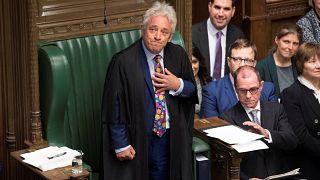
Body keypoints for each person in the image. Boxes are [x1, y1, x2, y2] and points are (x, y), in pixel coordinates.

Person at [101, 2, 197, 180]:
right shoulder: (123, 62)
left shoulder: (178, 54)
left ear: (170, 37)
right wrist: (120, 143)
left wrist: (178, 85)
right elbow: (113, 107)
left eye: (164, 32)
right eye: (153, 29)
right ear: (142, 29)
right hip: (140, 138)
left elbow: (192, 92)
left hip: (172, 136)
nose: (158, 36)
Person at [221, 65, 298, 180]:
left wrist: (266, 134)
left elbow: (292, 141)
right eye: (242, 91)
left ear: (261, 86)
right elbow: (226, 160)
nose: (248, 96)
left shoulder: (276, 110)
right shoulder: (227, 118)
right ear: (235, 89)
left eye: (253, 89)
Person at [200, 39, 277, 118]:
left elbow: (275, 122)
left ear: (254, 63)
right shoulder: (212, 91)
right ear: (229, 61)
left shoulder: (268, 89)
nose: (242, 65)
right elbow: (211, 127)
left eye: (248, 60)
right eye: (237, 59)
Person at [281, 42, 320, 180]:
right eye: (313, 61)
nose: (319, 65)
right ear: (300, 65)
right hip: (310, 166)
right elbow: (301, 136)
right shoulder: (291, 94)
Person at [192, 0, 245, 80]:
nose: (221, 14)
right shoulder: (193, 34)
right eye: (217, 7)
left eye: (226, 9)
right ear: (210, 7)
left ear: (233, 11)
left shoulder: (238, 35)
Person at [256, 23, 301, 96]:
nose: (290, 47)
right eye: (286, 42)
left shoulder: (299, 64)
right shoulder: (261, 67)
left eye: (295, 44)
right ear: (277, 40)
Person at [192, 46, 212, 115]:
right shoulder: (178, 83)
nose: (192, 67)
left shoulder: (208, 82)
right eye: (188, 62)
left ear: (199, 63)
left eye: (194, 62)